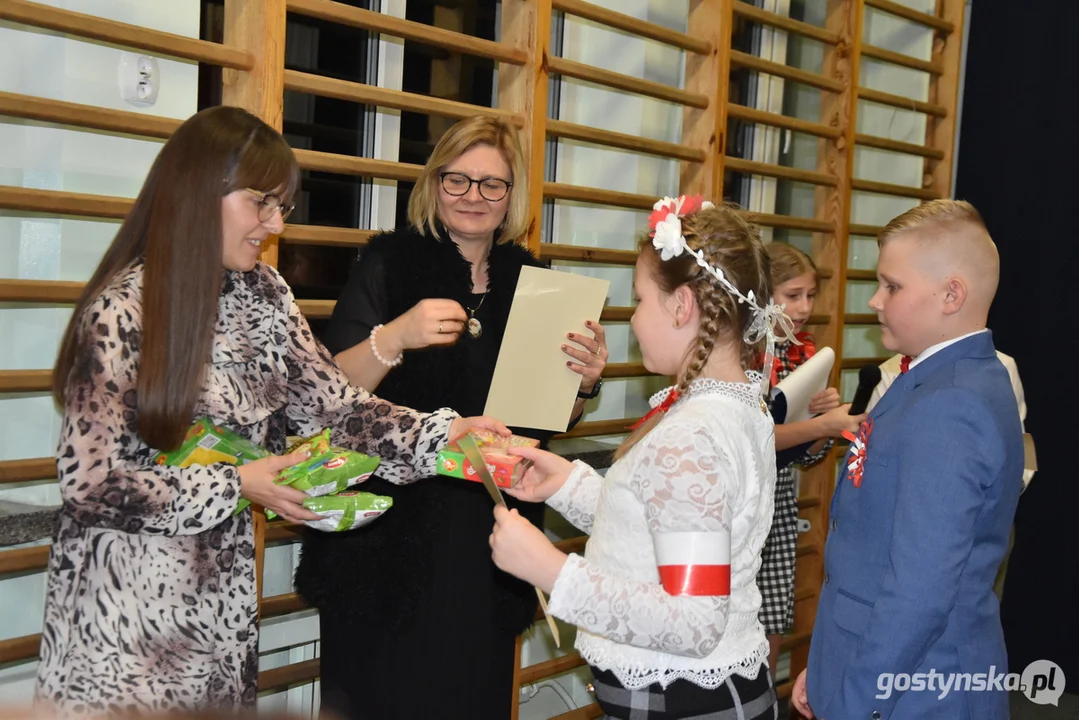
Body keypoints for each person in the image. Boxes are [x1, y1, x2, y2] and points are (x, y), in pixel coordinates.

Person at [36, 105, 502, 713]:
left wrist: (438, 437)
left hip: (221, 603)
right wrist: (237, 483)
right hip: (122, 613)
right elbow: (90, 482)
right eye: (262, 202)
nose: (274, 223)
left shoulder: (266, 294)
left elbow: (337, 408)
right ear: (201, 191)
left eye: (282, 205)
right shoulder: (122, 312)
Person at [293, 115, 607, 720]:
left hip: (486, 529)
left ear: (511, 196)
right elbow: (327, 397)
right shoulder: (387, 264)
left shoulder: (532, 281)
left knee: (473, 694)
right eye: (457, 179)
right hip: (387, 535)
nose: (473, 196)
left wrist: (584, 383)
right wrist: (397, 335)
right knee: (379, 697)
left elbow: (543, 419)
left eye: (492, 184)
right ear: (433, 183)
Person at [489, 197, 780, 719]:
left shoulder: (692, 434)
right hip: (703, 690)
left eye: (640, 299)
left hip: (684, 698)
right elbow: (667, 524)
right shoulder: (736, 403)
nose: (634, 317)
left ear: (682, 305)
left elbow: (693, 620)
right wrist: (566, 485)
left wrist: (550, 569)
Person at [791, 200, 1024, 719]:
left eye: (892, 286)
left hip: (914, 690)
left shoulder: (952, 402)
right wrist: (831, 665)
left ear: (951, 294)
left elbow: (918, 593)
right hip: (881, 671)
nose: (875, 300)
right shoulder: (936, 380)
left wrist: (854, 702)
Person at [759, 243, 862, 676]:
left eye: (810, 295)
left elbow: (806, 457)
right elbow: (754, 439)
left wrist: (823, 420)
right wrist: (821, 426)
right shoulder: (749, 352)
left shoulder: (801, 350)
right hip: (741, 499)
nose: (804, 307)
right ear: (764, 295)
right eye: (792, 295)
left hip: (778, 502)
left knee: (772, 610)